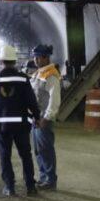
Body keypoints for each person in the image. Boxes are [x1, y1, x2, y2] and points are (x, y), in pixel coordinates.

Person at [0, 44, 41, 197]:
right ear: (15, 62)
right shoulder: (23, 79)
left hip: (2, 126)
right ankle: (30, 187)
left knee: (5, 156)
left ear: (1, 61)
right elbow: (31, 100)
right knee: (25, 155)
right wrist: (37, 116)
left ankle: (10, 187)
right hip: (21, 125)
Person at [30, 44, 62, 190]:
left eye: (37, 57)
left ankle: (50, 180)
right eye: (34, 57)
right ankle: (43, 177)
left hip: (43, 120)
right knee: (38, 150)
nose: (35, 60)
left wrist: (47, 118)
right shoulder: (39, 73)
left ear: (46, 57)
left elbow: (54, 99)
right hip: (35, 119)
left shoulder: (51, 75)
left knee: (46, 149)